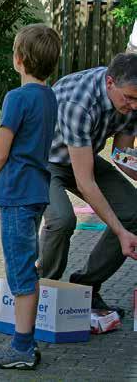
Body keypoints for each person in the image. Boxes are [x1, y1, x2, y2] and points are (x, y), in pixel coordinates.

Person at [0, 24, 60, 369]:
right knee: (26, 265)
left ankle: (22, 348)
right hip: (37, 190)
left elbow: (1, 150)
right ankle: (24, 342)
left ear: (19, 59)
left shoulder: (17, 98)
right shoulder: (50, 96)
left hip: (16, 191)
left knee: (21, 271)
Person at [39, 52, 137, 314]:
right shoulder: (79, 102)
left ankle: (87, 288)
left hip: (83, 156)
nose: (134, 106)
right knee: (62, 220)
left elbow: (122, 155)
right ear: (109, 83)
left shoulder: (131, 100)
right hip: (46, 160)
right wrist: (120, 232)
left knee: (133, 210)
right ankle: (39, 290)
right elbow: (86, 183)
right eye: (129, 98)